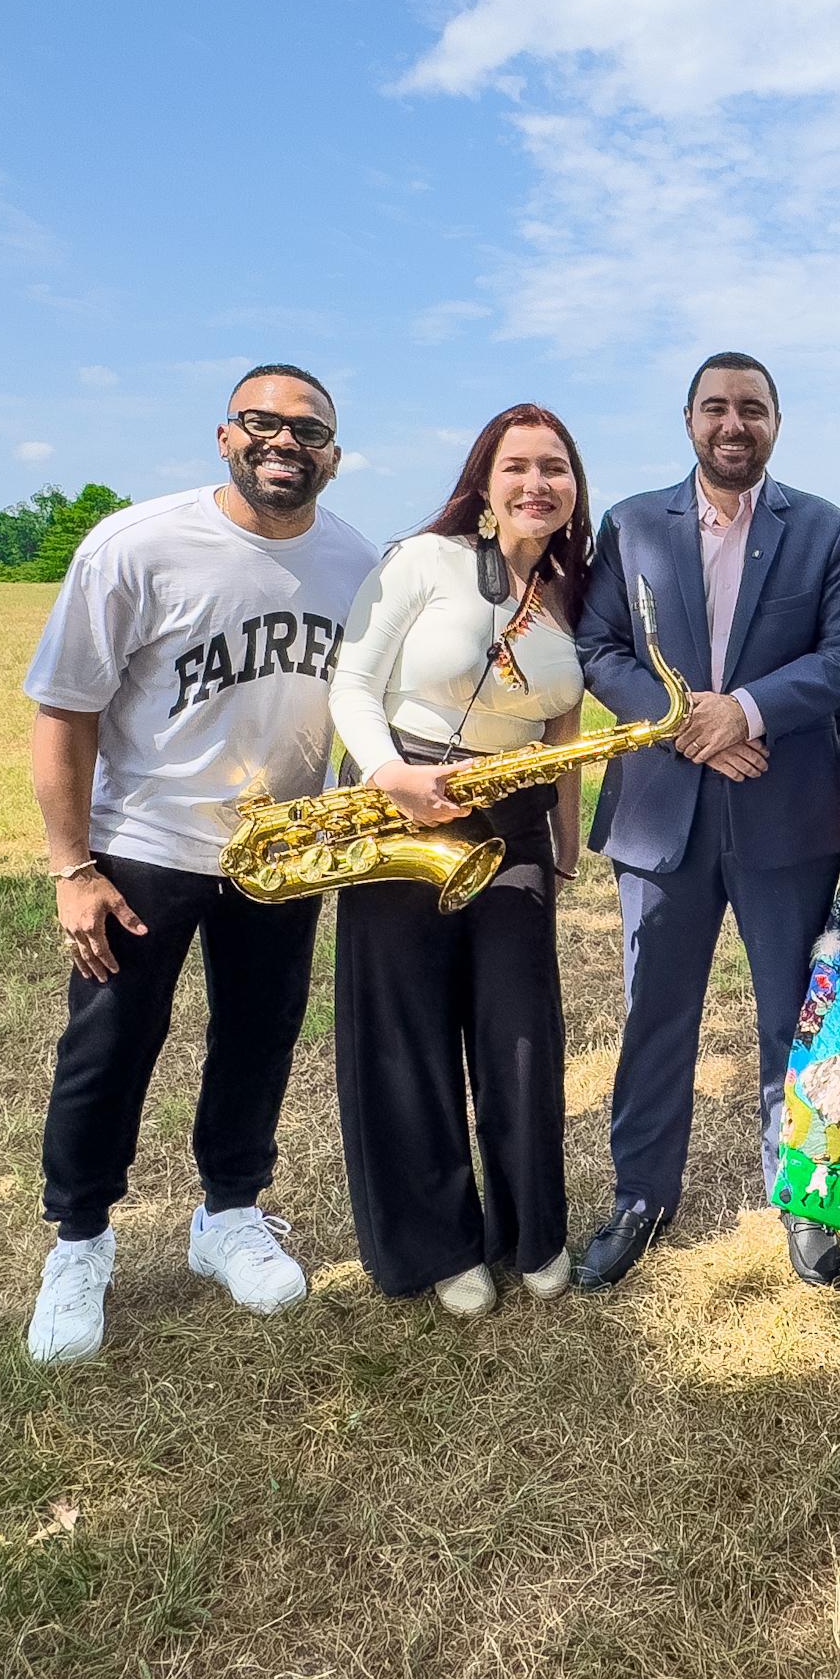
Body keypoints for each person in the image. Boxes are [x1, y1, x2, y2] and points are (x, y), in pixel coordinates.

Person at [19, 365, 374, 1363]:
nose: (285, 443)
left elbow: (361, 706)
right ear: (225, 435)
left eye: (309, 431)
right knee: (110, 1048)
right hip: (145, 845)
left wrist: (347, 815)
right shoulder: (136, 546)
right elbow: (66, 712)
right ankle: (81, 1244)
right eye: (263, 423)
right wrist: (70, 867)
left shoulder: (359, 562)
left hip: (283, 850)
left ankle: (228, 1216)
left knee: (260, 1036)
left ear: (333, 456)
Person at [571, 351, 840, 1293]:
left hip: (785, 815)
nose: (733, 423)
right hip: (661, 817)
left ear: (775, 422)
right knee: (655, 1011)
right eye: (716, 407)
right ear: (690, 420)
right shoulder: (629, 525)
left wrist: (740, 710)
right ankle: (640, 1197)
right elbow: (598, 646)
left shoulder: (821, 528)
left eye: (752, 408)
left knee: (794, 1012)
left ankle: (801, 1197)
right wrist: (688, 726)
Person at [326, 405, 592, 1316]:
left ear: (573, 487)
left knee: (522, 1035)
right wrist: (390, 774)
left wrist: (562, 845)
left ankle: (532, 1232)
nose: (537, 484)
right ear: (484, 480)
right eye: (517, 466)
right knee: (407, 1035)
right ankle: (440, 1244)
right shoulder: (420, 560)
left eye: (555, 468)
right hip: (402, 807)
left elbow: (564, 727)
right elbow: (353, 682)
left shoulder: (569, 592)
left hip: (513, 824)